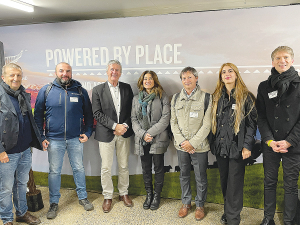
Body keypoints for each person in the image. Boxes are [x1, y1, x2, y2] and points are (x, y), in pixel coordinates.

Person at [34, 62, 94, 219]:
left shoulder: (80, 91)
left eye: (68, 71)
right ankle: (54, 203)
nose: (64, 74)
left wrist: (88, 132)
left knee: (79, 168)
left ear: (71, 73)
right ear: (56, 72)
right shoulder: (46, 90)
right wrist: (41, 137)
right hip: (54, 140)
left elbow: (89, 114)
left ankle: (83, 197)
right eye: (61, 71)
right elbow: (38, 116)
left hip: (76, 138)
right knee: (54, 171)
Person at [257, 46, 300, 225]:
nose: (282, 61)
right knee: (269, 182)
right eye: (278, 58)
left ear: (291, 60)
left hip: (293, 144)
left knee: (290, 186)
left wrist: (289, 141)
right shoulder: (264, 86)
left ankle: (289, 221)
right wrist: (269, 140)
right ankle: (268, 219)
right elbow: (261, 116)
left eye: (285, 57)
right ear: (272, 62)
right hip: (271, 145)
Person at [210, 63, 257, 225]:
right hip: (221, 147)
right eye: (224, 72)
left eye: (230, 71)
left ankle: (233, 218)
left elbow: (252, 124)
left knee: (234, 185)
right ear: (221, 77)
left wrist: (247, 146)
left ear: (236, 75)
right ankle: (228, 211)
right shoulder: (216, 97)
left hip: (238, 148)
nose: (227, 74)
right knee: (225, 182)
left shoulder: (246, 96)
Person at [0, 63, 42, 225]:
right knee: (5, 188)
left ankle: (22, 213)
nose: (15, 78)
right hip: (7, 152)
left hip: (25, 149)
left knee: (21, 184)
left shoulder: (23, 93)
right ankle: (7, 219)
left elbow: (28, 120)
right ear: (3, 77)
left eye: (18, 75)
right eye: (12, 75)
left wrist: (38, 139)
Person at [170, 66, 212, 221]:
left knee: (201, 176)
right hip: (181, 146)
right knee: (184, 175)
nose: (186, 81)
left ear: (196, 78)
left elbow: (207, 124)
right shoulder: (175, 98)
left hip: (199, 147)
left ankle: (200, 205)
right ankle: (186, 203)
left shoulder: (207, 98)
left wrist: (192, 143)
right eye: (183, 78)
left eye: (189, 77)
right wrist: (183, 142)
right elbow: (173, 123)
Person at [92, 59, 134, 213]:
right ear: (107, 71)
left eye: (117, 70)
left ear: (120, 73)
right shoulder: (97, 89)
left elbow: (132, 111)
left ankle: (123, 193)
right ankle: (108, 196)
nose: (114, 72)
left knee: (123, 166)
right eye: (112, 69)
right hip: (106, 134)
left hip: (124, 132)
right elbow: (97, 113)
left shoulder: (127, 88)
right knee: (106, 167)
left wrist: (124, 127)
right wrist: (114, 126)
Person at [131, 71, 170, 210]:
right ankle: (149, 195)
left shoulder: (162, 96)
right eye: (145, 79)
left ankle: (157, 196)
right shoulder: (136, 99)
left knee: (158, 169)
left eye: (150, 78)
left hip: (158, 138)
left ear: (155, 81)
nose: (148, 81)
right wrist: (142, 134)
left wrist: (150, 133)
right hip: (142, 140)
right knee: (146, 169)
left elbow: (165, 119)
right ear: (141, 81)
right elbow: (133, 119)